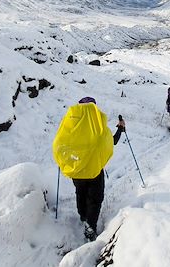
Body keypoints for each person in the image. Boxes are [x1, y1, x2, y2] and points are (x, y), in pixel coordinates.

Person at [52, 96, 125, 241]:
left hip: (76, 171)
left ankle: (83, 215)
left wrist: (63, 161)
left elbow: (59, 145)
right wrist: (120, 129)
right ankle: (90, 226)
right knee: (95, 199)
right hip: (94, 172)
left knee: (80, 192)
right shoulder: (99, 128)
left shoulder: (70, 126)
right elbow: (112, 142)